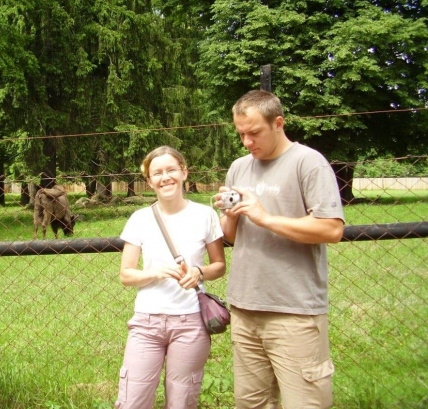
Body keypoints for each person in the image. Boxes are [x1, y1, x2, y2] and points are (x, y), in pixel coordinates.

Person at [214, 90, 345, 409]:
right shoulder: (239, 168)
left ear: (278, 123)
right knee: (252, 404)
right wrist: (227, 215)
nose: (247, 141)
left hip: (294, 311)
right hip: (245, 309)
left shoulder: (308, 162)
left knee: (305, 402)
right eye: (241, 133)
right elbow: (231, 236)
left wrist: (266, 217)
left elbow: (332, 229)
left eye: (254, 132)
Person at [115, 145, 226, 409]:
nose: (165, 177)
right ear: (149, 181)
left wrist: (199, 272)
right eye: (157, 173)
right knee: (132, 402)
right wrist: (155, 273)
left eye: (171, 170)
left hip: (191, 323)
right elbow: (126, 274)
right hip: (147, 323)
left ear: (184, 172)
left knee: (182, 403)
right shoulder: (140, 219)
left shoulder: (205, 215)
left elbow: (219, 265)